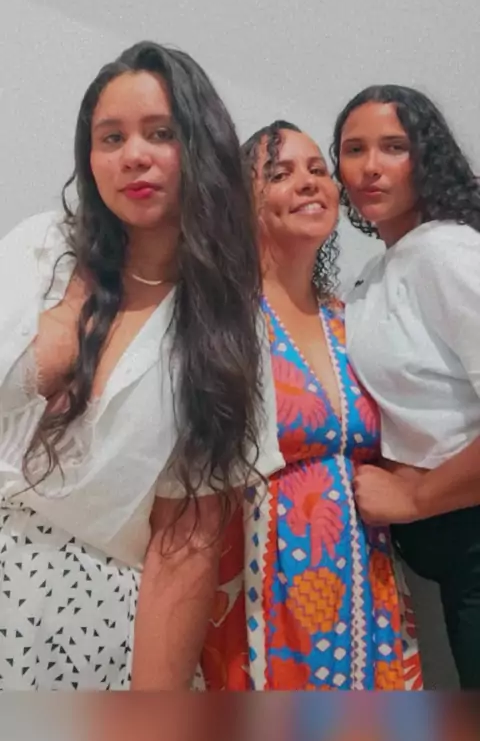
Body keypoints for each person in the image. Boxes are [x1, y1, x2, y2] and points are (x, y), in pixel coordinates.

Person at [0, 40, 283, 690]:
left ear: (202, 148)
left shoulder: (227, 327)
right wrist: (82, 291)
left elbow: (184, 548)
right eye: (111, 137)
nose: (133, 155)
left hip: (89, 621)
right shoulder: (40, 249)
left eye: (161, 133)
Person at [201, 120, 421, 690]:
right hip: (263, 587)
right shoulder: (223, 325)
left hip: (367, 586)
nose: (308, 182)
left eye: (317, 170)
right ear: (242, 202)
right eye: (280, 173)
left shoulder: (353, 320)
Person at [333, 84, 480, 689]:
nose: (370, 166)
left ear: (427, 157)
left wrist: (415, 500)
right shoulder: (376, 274)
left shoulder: (448, 253)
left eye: (393, 147)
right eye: (353, 149)